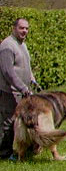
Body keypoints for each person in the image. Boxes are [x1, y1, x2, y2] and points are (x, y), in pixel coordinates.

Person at [0, 18, 35, 159]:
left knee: (19, 122)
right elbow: (8, 72)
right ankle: (4, 153)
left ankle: (20, 150)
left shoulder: (22, 44)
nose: (24, 31)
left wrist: (31, 78)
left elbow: (25, 65)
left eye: (26, 28)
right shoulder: (7, 46)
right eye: (21, 28)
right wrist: (22, 87)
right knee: (7, 122)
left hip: (22, 91)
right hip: (9, 91)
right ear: (14, 28)